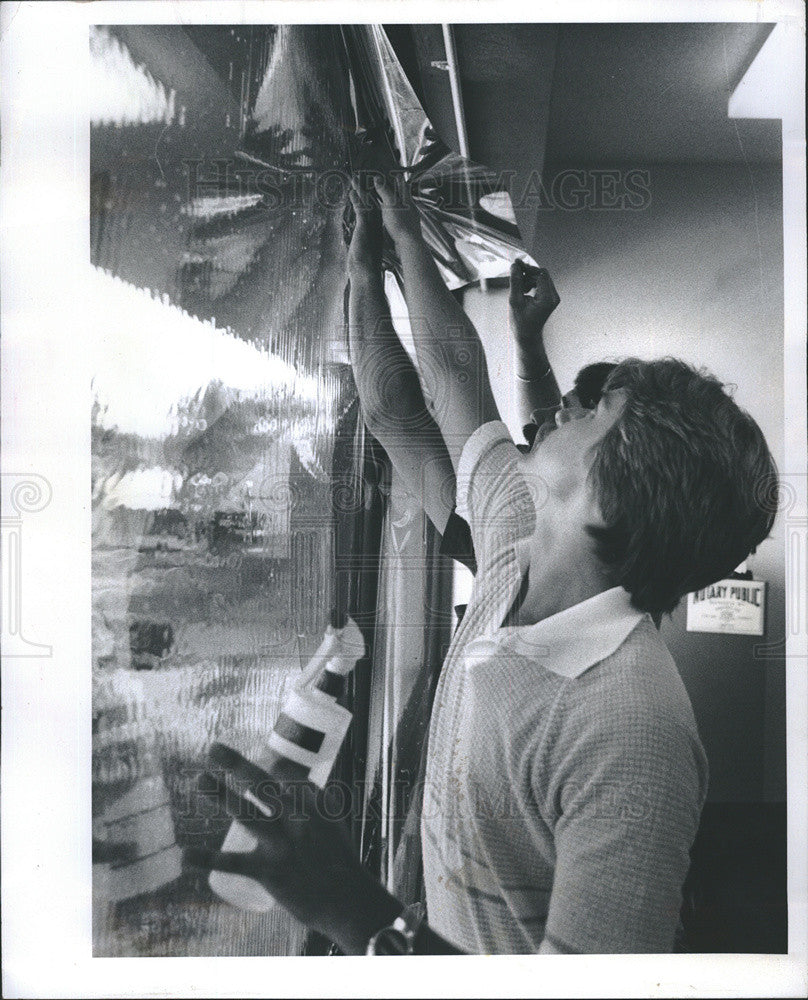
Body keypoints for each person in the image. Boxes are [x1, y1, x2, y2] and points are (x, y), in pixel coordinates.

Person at [185, 171, 778, 955]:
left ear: (607, 499)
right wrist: (377, 255)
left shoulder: (633, 731)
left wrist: (354, 910)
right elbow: (421, 399)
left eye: (597, 412)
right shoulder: (517, 548)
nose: (565, 407)